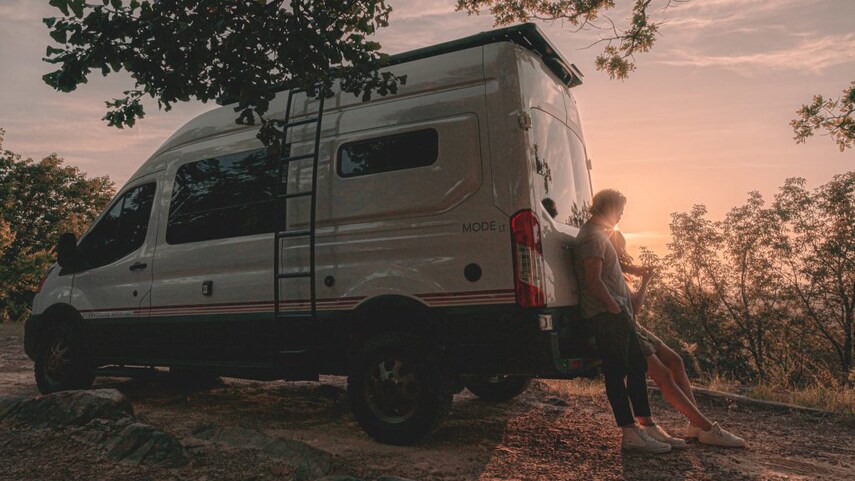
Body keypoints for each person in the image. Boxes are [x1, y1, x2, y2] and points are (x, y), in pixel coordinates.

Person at [608, 229, 747, 448]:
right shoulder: (609, 273)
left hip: (635, 325)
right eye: (619, 246)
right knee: (662, 375)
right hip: (626, 328)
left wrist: (644, 282)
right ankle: (708, 428)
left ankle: (696, 426)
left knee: (676, 361)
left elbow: (635, 308)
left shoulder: (620, 273)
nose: (622, 251)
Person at [572, 189, 672, 454]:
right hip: (606, 315)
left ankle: (646, 425)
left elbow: (605, 271)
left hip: (617, 314)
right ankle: (630, 432)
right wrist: (613, 306)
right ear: (608, 208)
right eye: (620, 211)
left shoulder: (598, 235)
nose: (621, 216)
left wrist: (634, 277)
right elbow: (593, 279)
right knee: (616, 372)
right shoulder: (592, 237)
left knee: (637, 365)